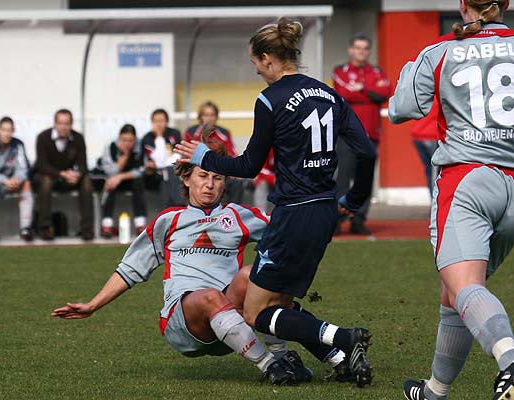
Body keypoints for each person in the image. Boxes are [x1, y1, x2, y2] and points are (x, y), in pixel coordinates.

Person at [175, 18, 377, 387]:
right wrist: (355, 198)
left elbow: (249, 166)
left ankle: (345, 339)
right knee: (279, 304)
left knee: (255, 313)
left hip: (293, 213)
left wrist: (204, 157)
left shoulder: (270, 99)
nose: (256, 70)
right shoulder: (329, 94)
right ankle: (341, 359)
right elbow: (366, 150)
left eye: (255, 63)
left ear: (268, 58)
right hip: (324, 211)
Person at [52, 151, 317, 385]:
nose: (210, 184)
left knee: (254, 274)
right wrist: (92, 305)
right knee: (210, 296)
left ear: (224, 183)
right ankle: (269, 365)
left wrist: (322, 212)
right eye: (203, 176)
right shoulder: (169, 220)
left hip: (230, 318)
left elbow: (286, 230)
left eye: (217, 178)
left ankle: (285, 358)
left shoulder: (238, 215)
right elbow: (130, 269)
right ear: (187, 179)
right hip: (183, 323)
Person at [389, 2, 514, 399]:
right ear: (506, 4)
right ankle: (435, 390)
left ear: (462, 4)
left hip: (468, 181)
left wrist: (411, 69)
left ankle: (511, 363)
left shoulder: (441, 49)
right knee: (454, 292)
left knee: (464, 287)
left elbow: (401, 109)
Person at [332, 33, 391, 235]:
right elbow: (343, 93)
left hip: (371, 135)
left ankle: (358, 220)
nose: (361, 52)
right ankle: (337, 221)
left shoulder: (377, 72)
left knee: (364, 180)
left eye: (365, 48)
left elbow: (385, 93)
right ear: (351, 50)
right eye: (358, 48)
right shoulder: (340, 71)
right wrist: (371, 93)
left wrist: (362, 88)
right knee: (342, 178)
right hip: (347, 135)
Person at [33, 109, 94, 241]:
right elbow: (41, 165)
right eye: (60, 123)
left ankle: (87, 228)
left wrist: (76, 175)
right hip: (49, 176)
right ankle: (45, 228)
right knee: (46, 181)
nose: (63, 127)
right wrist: (62, 174)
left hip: (69, 178)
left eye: (66, 123)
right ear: (55, 124)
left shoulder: (78, 138)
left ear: (71, 124)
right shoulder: (43, 137)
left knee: (86, 181)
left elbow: (83, 165)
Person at [0, 117, 34, 242]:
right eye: (4, 130)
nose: (7, 134)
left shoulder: (18, 144)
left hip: (11, 182)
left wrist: (17, 179)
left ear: (13, 131)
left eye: (9, 130)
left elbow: (24, 168)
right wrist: (3, 180)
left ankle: (25, 229)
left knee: (26, 183)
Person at [185, 101, 244, 204]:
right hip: (197, 172)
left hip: (220, 172)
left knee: (237, 182)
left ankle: (233, 210)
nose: (209, 118)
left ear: (216, 117)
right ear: (200, 117)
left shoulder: (224, 133)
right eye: (206, 115)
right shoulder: (191, 132)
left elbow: (232, 155)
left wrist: (233, 170)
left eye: (212, 115)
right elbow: (185, 154)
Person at [99, 124, 147, 238]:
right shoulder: (110, 146)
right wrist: (124, 157)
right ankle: (107, 224)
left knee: (138, 183)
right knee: (110, 183)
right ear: (119, 138)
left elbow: (141, 170)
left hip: (131, 180)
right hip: (113, 179)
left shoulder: (140, 146)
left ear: (135, 139)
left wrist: (120, 177)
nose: (127, 144)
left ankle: (140, 224)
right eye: (124, 140)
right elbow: (109, 171)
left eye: (130, 141)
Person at [141, 109, 185, 209]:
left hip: (171, 171)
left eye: (161, 121)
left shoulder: (175, 133)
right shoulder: (148, 138)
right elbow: (159, 162)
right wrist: (159, 137)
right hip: (152, 175)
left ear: (167, 122)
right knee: (167, 173)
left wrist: (164, 162)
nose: (159, 124)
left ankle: (168, 209)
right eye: (156, 121)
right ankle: (178, 205)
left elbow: (177, 157)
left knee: (168, 172)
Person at [411, 104, 441, 197]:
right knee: (435, 173)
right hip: (432, 135)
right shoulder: (438, 96)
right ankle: (435, 201)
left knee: (430, 171)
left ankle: (434, 200)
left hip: (418, 134)